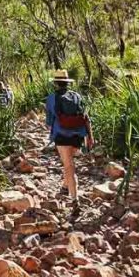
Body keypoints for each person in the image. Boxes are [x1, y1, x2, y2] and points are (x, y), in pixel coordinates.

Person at [44, 69, 94, 216]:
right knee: (69, 163)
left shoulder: (51, 98)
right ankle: (65, 185)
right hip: (77, 135)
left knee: (69, 166)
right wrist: (90, 136)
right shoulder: (77, 96)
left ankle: (75, 200)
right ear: (67, 83)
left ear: (55, 83)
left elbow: (48, 121)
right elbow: (85, 116)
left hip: (61, 135)